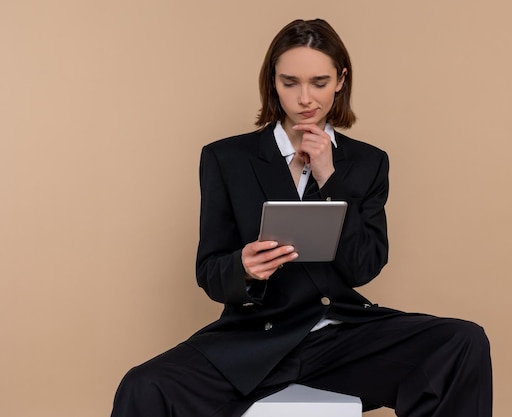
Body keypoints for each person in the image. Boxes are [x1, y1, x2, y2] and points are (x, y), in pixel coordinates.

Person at [111, 18, 492, 417]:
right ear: (273, 82)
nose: (305, 98)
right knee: (144, 385)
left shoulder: (366, 162)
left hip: (341, 337)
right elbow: (209, 271)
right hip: (254, 338)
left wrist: (331, 178)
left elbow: (364, 266)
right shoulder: (227, 158)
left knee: (462, 341)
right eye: (290, 82)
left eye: (319, 82)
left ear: (341, 80)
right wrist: (243, 268)